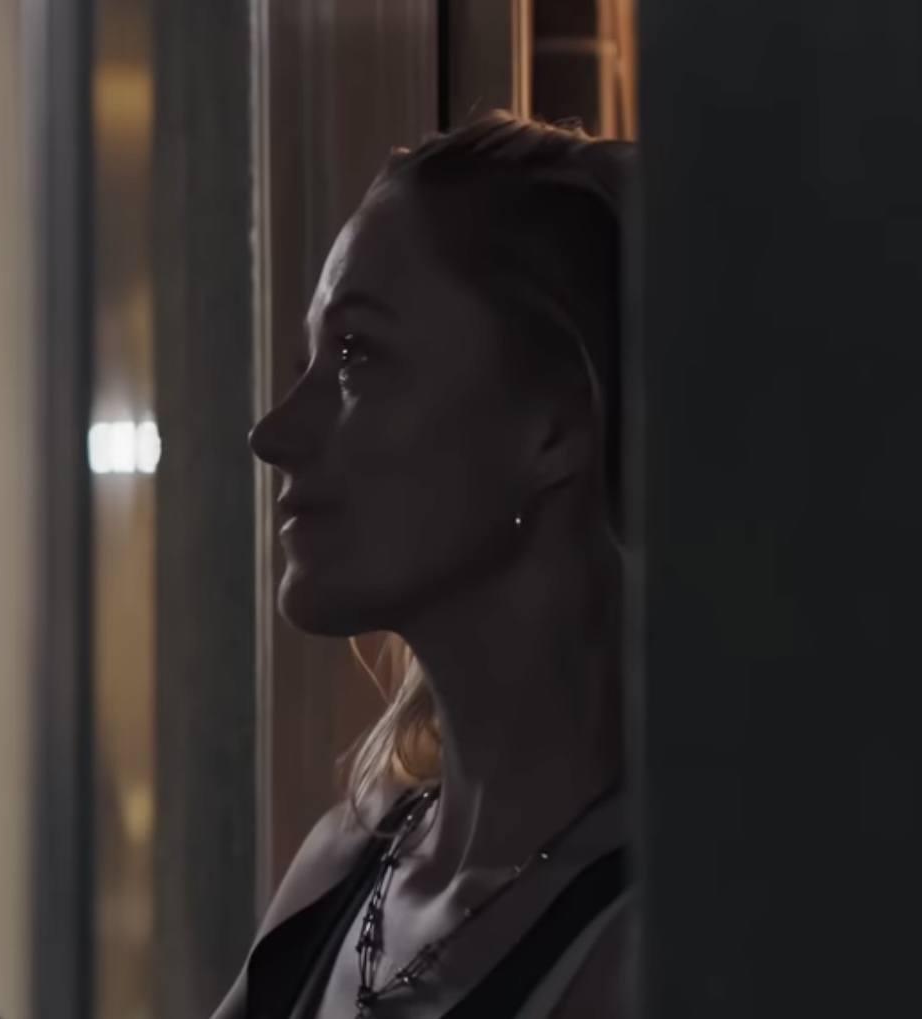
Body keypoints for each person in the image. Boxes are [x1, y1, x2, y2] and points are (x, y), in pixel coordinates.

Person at [215, 112, 636, 1019]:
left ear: (553, 427)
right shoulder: (340, 869)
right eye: (308, 360)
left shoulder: (674, 947)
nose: (272, 432)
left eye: (356, 355)